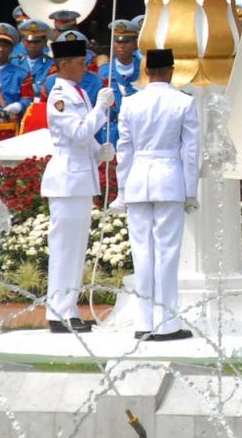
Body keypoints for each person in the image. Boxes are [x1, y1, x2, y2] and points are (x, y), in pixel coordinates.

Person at [115, 48, 199, 342]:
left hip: (139, 177)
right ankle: (166, 322)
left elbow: (123, 150)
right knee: (167, 253)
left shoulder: (130, 102)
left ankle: (144, 321)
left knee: (142, 252)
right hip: (169, 178)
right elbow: (190, 152)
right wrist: (191, 191)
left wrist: (122, 188)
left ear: (147, 71)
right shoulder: (184, 102)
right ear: (172, 70)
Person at [40, 35, 115, 333]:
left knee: (75, 247)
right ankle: (58, 311)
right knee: (65, 247)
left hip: (80, 177)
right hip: (67, 179)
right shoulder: (59, 96)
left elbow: (85, 141)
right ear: (64, 64)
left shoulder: (77, 92)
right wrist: (100, 109)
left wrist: (100, 152)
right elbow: (78, 133)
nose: (85, 67)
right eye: (79, 62)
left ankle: (67, 308)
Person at [0, 22, 28, 118]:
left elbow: (27, 98)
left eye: (5, 46)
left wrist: (18, 106)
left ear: (12, 49)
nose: (1, 49)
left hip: (8, 125)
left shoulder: (22, 75)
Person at [15, 19, 52, 98]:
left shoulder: (52, 65)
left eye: (36, 42)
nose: (32, 45)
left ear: (45, 42)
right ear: (23, 41)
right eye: (28, 41)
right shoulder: (14, 62)